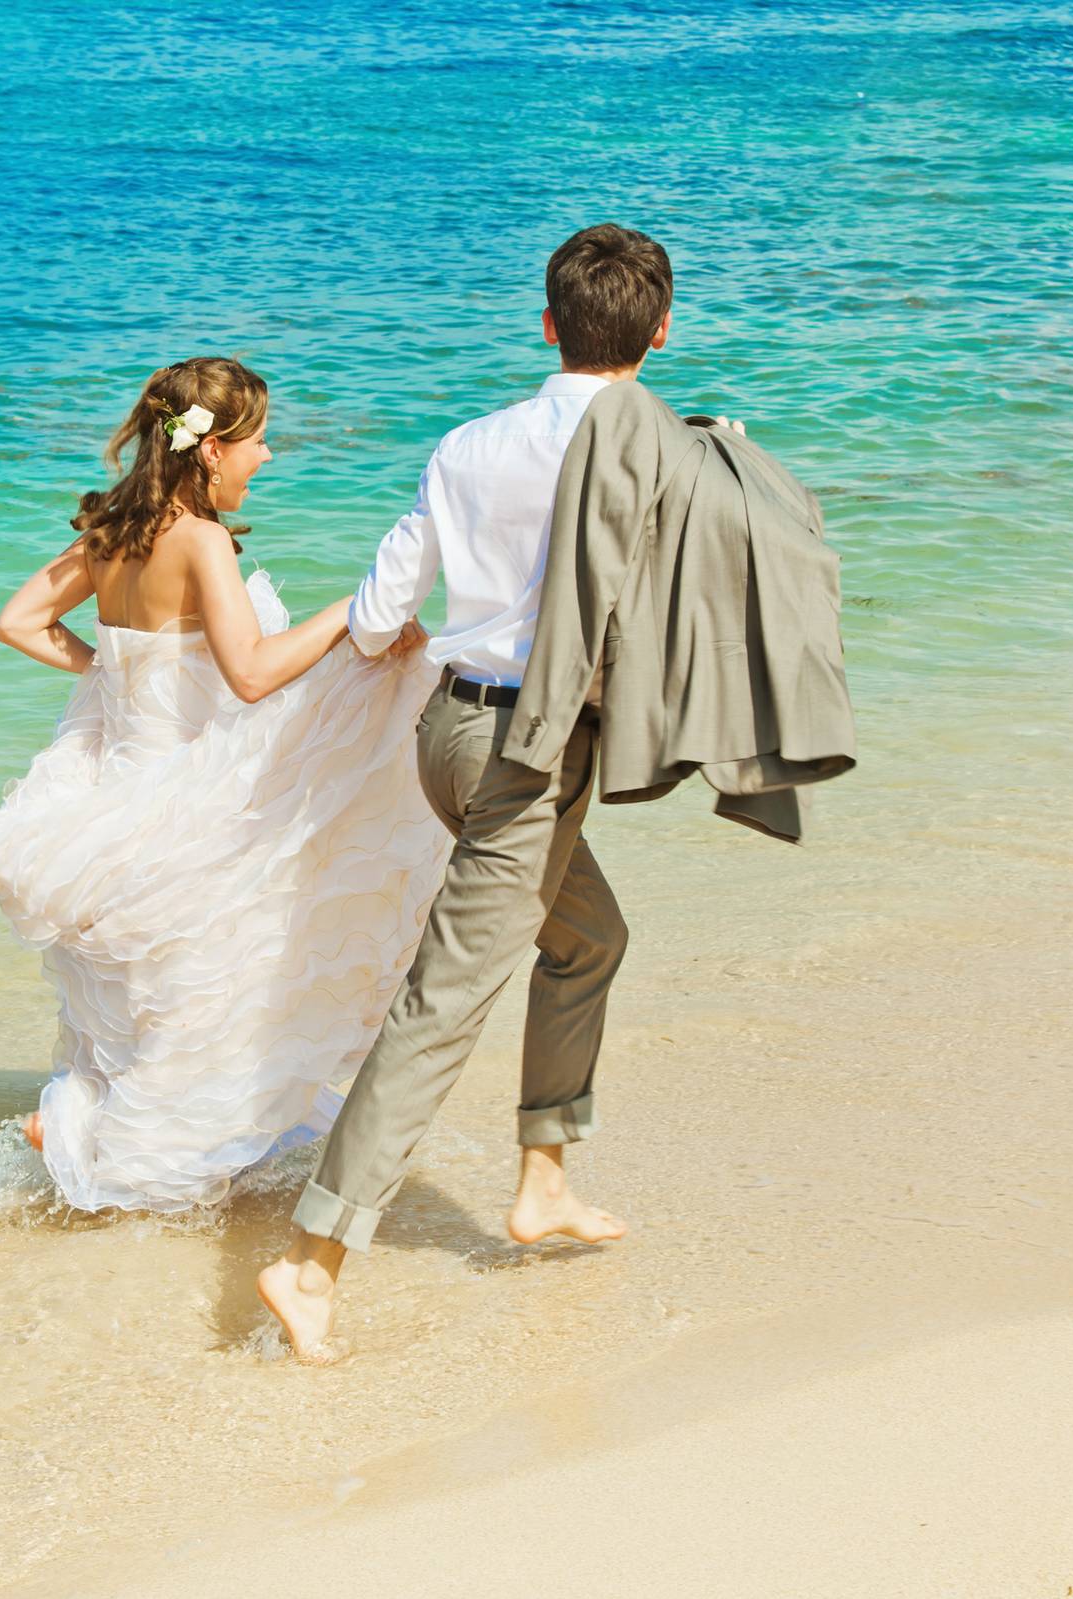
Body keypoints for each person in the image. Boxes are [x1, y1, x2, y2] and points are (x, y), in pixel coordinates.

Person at [256, 224, 759, 1359]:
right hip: (531, 765)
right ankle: (310, 1258)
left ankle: (542, 1180)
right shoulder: (665, 457)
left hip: (449, 737)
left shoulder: (467, 444)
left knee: (588, 939)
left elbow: (381, 618)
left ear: (547, 326)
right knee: (443, 1006)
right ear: (663, 332)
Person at [0, 357, 443, 1215]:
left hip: (111, 796)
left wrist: (107, 674)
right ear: (211, 450)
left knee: (157, 1004)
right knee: (214, 993)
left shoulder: (112, 532)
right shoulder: (201, 540)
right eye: (257, 442)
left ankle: (78, 1123)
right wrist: (356, 610)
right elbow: (251, 675)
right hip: (189, 793)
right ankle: (109, 1149)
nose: (267, 458)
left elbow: (16, 621)